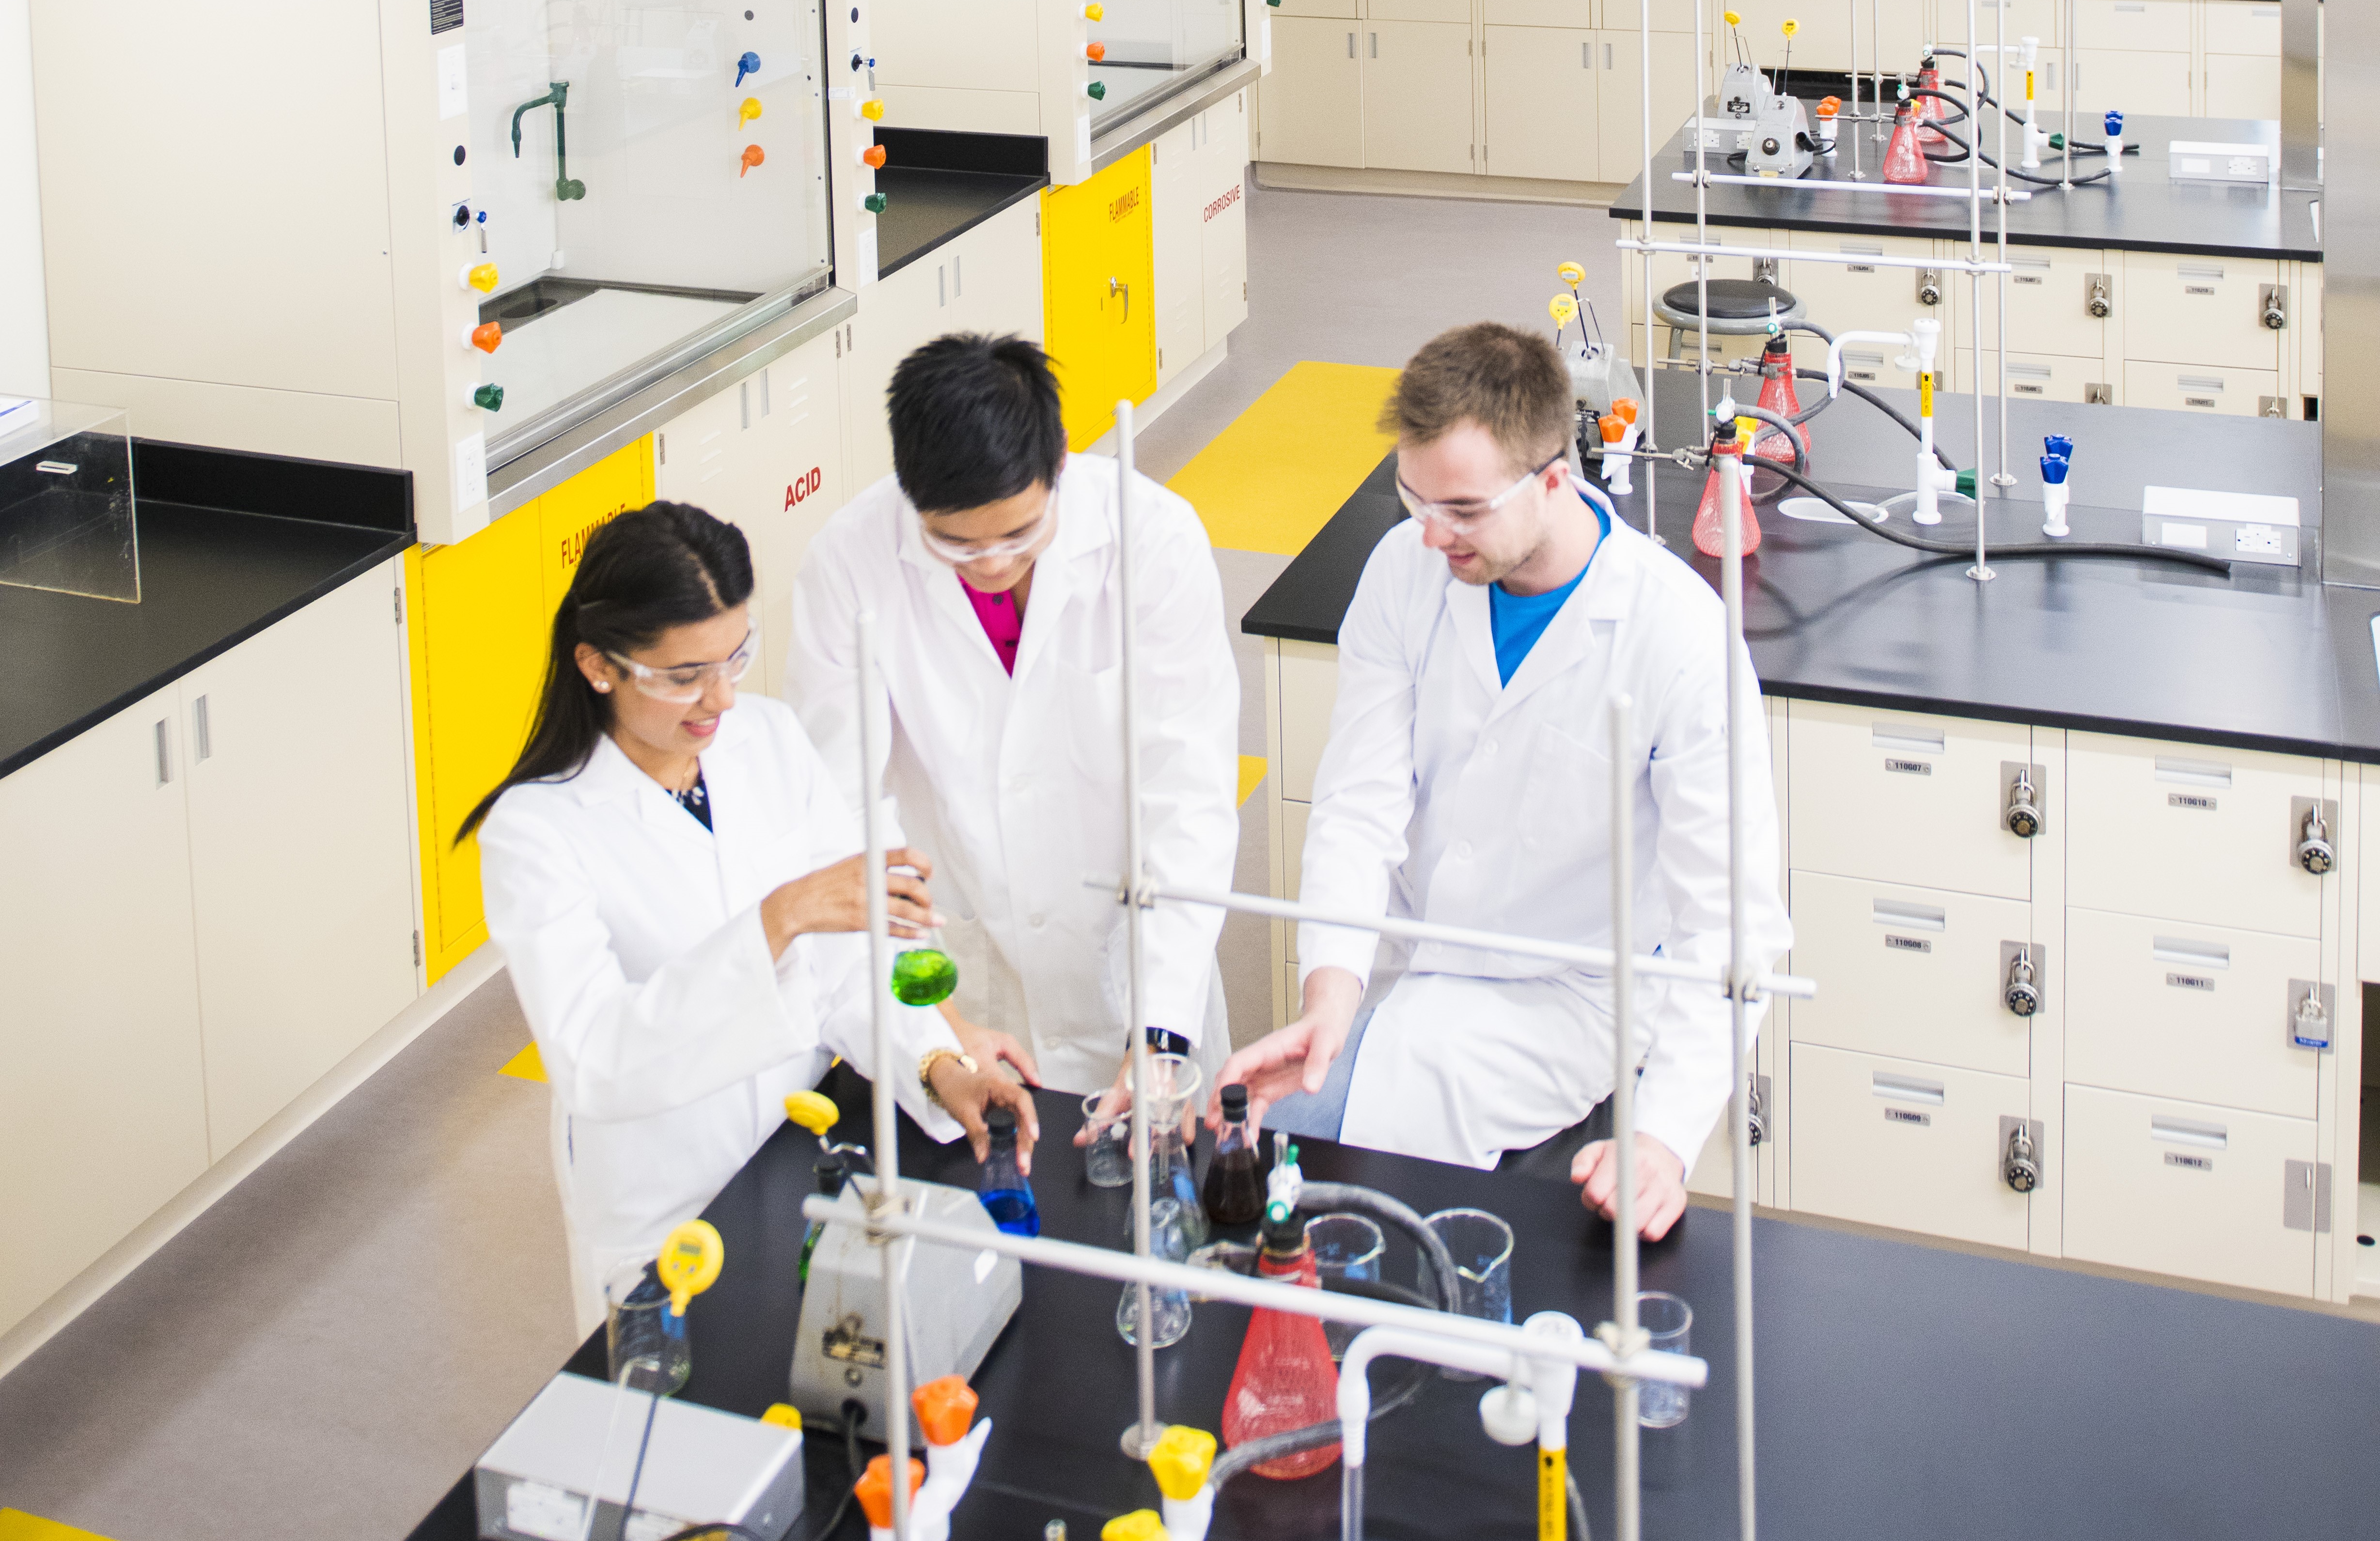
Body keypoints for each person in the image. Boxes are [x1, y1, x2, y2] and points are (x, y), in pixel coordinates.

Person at [1220, 322, 1784, 1238]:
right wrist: (1330, 993)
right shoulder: (1404, 573)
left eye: (1465, 510)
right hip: (1412, 958)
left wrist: (1667, 1138)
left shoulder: (1677, 637)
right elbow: (1359, 805)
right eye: (1414, 499)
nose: (1433, 534)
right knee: (1276, 1170)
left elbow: (1731, 920)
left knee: (1353, 1209)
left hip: (1568, 997)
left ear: (1555, 478)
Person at [468, 498, 1034, 1331]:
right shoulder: (536, 831)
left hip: (796, 1155)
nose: (721, 700)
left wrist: (936, 1062)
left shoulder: (765, 739)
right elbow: (593, 1058)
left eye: (736, 657)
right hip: (667, 1201)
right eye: (683, 675)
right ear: (598, 665)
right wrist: (776, 920)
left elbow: (847, 964)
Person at [786, 332, 1241, 1127]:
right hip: (968, 970)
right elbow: (844, 816)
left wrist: (1162, 1026)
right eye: (955, 544)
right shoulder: (848, 563)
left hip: (1132, 951)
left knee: (1156, 1199)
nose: (993, 562)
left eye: (1020, 534)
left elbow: (1189, 792)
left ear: (1060, 461)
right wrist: (939, 1024)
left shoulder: (1155, 540)